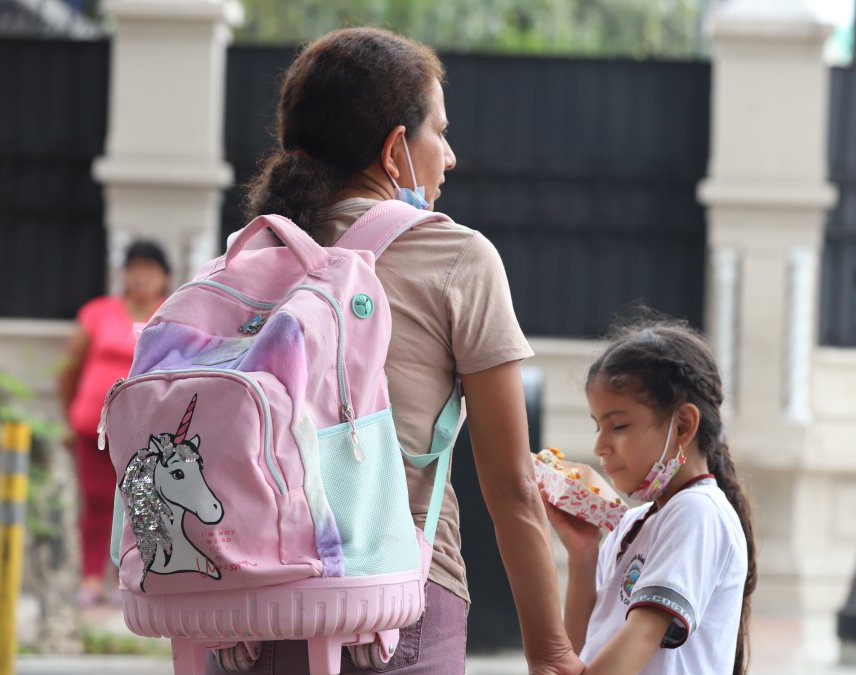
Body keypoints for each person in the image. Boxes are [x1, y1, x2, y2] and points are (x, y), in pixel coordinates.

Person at [206, 27, 582, 674]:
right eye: (439, 131)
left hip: (242, 614)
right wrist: (549, 651)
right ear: (394, 151)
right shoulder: (456, 256)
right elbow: (513, 486)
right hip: (391, 609)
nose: (451, 156)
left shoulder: (248, 255)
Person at [544, 319, 758, 674]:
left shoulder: (698, 512)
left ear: (683, 426)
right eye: (598, 425)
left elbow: (643, 635)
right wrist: (583, 552)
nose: (600, 446)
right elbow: (581, 650)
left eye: (619, 426)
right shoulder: (633, 523)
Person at [58, 240, 170, 608]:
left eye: (149, 269)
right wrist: (67, 415)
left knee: (141, 504)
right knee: (94, 501)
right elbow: (69, 368)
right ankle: (91, 578)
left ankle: (127, 577)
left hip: (143, 434)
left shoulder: (169, 315)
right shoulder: (98, 312)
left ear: (164, 278)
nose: (140, 276)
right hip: (92, 429)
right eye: (134, 267)